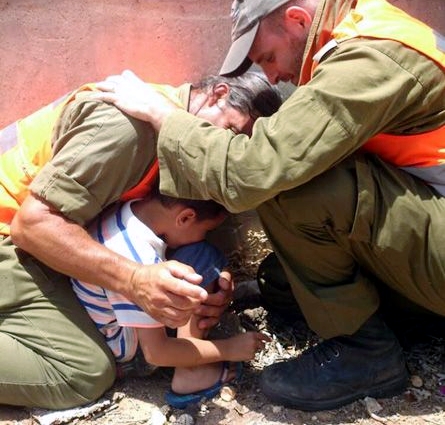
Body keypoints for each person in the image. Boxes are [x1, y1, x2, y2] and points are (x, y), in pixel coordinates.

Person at [94, 0, 445, 412]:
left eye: (266, 58)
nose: (272, 77)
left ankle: (367, 355)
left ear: (298, 20)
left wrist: (166, 118)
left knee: (289, 184)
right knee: (283, 283)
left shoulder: (370, 60)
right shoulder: (360, 26)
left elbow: (256, 172)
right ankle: (402, 318)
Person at [0, 71, 282, 409]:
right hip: (13, 242)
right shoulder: (129, 131)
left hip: (42, 239)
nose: (221, 153)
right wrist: (134, 280)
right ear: (217, 95)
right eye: (231, 134)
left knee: (200, 256)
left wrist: (213, 283)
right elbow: (32, 226)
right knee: (85, 371)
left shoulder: (176, 142)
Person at [73, 185, 268, 409]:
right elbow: (156, 353)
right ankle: (192, 374)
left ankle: (191, 354)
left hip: (110, 327)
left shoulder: (122, 212)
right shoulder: (139, 259)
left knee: (204, 255)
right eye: (206, 230)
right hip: (134, 354)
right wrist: (229, 349)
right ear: (185, 218)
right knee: (203, 257)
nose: (203, 236)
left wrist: (220, 271)